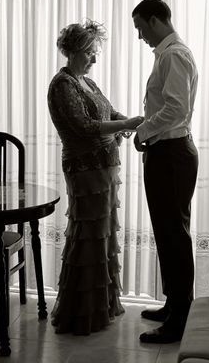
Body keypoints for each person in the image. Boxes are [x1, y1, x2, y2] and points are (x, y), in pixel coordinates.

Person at [47, 19, 144, 335]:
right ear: (73, 51)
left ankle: (99, 307)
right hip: (84, 169)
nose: (94, 59)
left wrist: (136, 121)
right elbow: (84, 127)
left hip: (104, 167)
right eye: (90, 52)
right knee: (87, 236)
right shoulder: (63, 85)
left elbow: (111, 114)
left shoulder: (88, 83)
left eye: (95, 52)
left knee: (101, 236)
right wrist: (126, 124)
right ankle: (80, 313)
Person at [131, 0, 199, 344]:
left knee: (174, 235)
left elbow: (175, 109)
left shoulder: (173, 55)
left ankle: (179, 319)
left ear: (155, 20)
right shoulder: (170, 54)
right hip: (168, 152)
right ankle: (174, 304)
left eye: (141, 28)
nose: (141, 36)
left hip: (171, 154)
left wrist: (142, 132)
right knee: (167, 232)